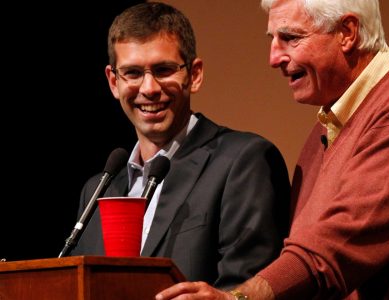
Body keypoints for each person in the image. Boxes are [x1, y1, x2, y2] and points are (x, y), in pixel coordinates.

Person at [155, 0, 389, 299]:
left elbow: (335, 246)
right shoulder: (325, 130)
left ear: (347, 33)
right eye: (272, 38)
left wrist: (237, 298)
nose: (273, 58)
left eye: (290, 38)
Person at [70, 2, 291, 290]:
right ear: (114, 82)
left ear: (194, 74)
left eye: (163, 70)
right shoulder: (98, 190)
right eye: (133, 73)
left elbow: (248, 288)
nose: (149, 88)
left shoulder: (244, 161)